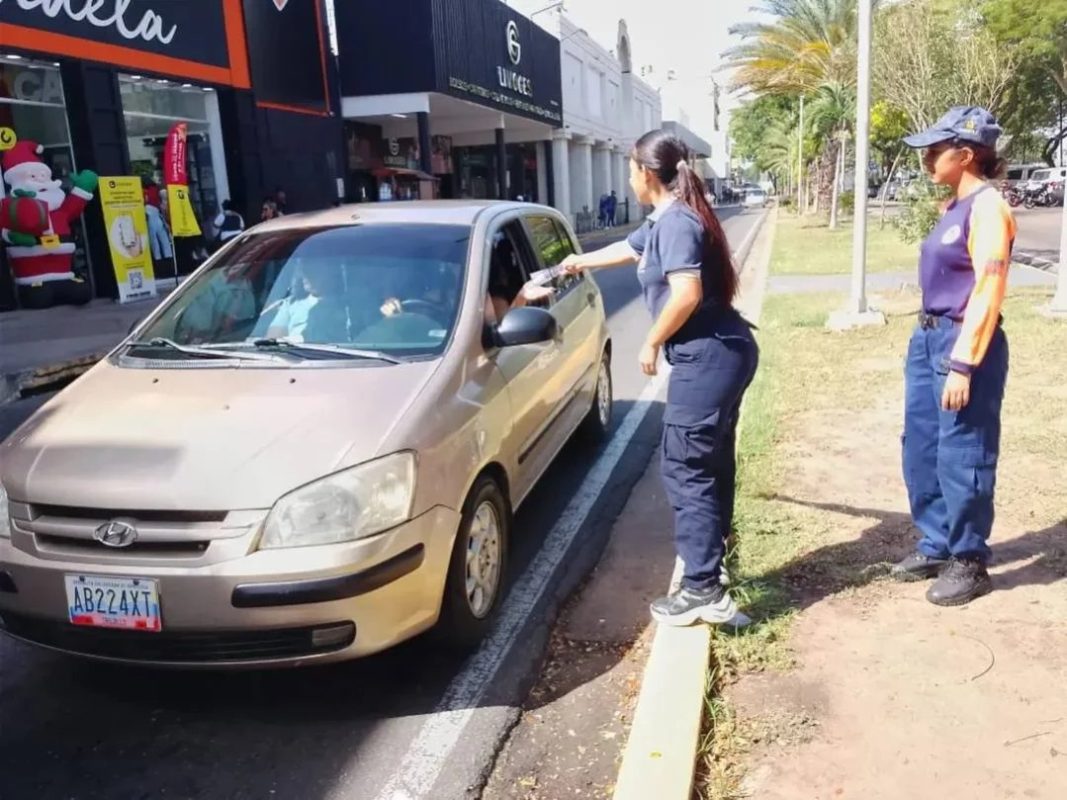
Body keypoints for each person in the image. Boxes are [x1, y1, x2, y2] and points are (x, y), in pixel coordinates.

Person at [561, 130, 758, 626]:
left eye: (630, 168)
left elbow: (686, 293)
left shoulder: (676, 223)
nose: (628, 177)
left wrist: (651, 340)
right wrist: (578, 261)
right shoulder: (663, 221)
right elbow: (629, 250)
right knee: (709, 460)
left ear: (646, 173)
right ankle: (713, 560)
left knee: (685, 465)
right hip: (719, 353)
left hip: (708, 356)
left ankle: (703, 589)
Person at [890, 107, 1015, 606]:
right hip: (928, 339)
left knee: (963, 450)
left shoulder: (988, 208)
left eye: (935, 150)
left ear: (965, 155)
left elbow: (988, 288)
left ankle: (968, 559)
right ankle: (937, 543)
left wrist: (964, 363)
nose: (927, 158)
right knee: (921, 447)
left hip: (963, 342)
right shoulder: (953, 207)